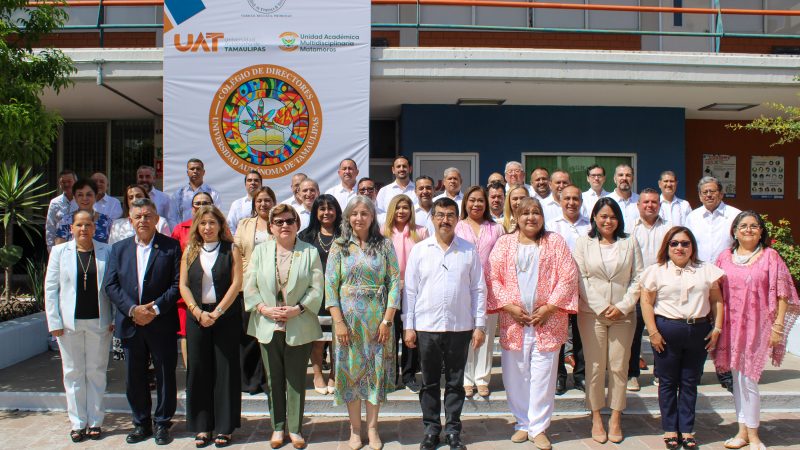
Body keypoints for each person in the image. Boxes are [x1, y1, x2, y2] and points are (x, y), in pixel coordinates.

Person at [487, 197, 579, 449]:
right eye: (525, 212)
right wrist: (508, 306)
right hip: (514, 320)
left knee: (543, 376)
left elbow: (568, 276)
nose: (531, 217)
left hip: (547, 321)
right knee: (515, 374)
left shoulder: (555, 242)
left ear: (542, 216)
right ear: (515, 217)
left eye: (536, 212)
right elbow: (492, 276)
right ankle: (522, 423)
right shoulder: (505, 243)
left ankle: (538, 428)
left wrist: (549, 307)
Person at [403, 197, 486, 450]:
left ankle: (453, 431)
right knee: (428, 382)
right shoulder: (420, 250)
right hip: (427, 326)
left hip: (459, 327)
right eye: (439, 215)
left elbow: (478, 289)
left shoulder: (468, 250)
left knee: (455, 382)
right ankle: (430, 429)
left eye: (450, 215)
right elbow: (410, 291)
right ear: (432, 218)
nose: (445, 220)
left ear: (457, 218)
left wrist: (480, 324)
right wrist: (409, 325)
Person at [714, 211, 800, 450]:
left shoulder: (770, 257)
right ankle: (741, 431)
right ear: (735, 231)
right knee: (736, 380)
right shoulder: (724, 257)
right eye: (743, 226)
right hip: (731, 327)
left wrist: (778, 326)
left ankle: (753, 435)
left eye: (754, 226)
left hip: (758, 326)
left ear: (761, 231)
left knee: (749, 379)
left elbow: (784, 294)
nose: (749, 230)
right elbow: (715, 292)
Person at [103, 198, 181, 445]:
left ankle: (162, 423)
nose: (143, 221)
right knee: (134, 377)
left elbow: (177, 285)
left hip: (161, 323)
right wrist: (133, 310)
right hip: (131, 322)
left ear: (157, 219)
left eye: (148, 216)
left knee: (165, 375)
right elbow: (110, 285)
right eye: (138, 217)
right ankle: (141, 423)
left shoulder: (171, 247)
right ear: (131, 220)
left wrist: (155, 309)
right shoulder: (119, 249)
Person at [245, 204, 323, 449]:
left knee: (296, 379)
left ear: (297, 225)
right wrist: (263, 309)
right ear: (271, 227)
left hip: (298, 323)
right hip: (268, 323)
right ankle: (278, 428)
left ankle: (296, 429)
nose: (284, 225)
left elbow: (317, 288)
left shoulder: (309, 252)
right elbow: (250, 286)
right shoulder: (260, 252)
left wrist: (297, 309)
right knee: (274, 379)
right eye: (278, 222)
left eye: (289, 221)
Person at [325, 196, 401, 450]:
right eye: (354, 213)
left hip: (377, 320)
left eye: (364, 213)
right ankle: (355, 430)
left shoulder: (385, 245)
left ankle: (373, 429)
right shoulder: (339, 246)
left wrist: (387, 321)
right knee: (350, 375)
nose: (359, 218)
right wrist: (339, 322)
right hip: (347, 321)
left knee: (374, 375)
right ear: (348, 217)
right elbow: (330, 287)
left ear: (372, 217)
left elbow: (393, 283)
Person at [640, 226, 724, 450]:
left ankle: (686, 429)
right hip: (666, 332)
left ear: (692, 247)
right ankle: (670, 428)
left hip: (698, 331)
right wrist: (653, 332)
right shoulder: (656, 270)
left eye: (685, 243)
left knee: (689, 382)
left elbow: (717, 299)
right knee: (667, 382)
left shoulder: (706, 270)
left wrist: (717, 328)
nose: (679, 247)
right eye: (674, 243)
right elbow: (646, 302)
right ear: (667, 246)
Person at [573, 197, 643, 444]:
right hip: (592, 314)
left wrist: (623, 306)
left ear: (619, 219)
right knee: (593, 367)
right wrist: (602, 306)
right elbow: (580, 278)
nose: (608, 221)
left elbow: (639, 277)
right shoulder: (583, 243)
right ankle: (595, 418)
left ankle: (615, 417)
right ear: (594, 217)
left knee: (618, 367)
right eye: (603, 216)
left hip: (624, 315)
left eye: (612, 216)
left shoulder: (629, 241)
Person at [45, 210, 114, 442]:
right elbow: (51, 288)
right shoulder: (58, 252)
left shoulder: (107, 251)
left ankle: (95, 422)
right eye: (79, 225)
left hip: (99, 322)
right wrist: (53, 321)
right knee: (73, 373)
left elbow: (112, 287)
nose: (84, 229)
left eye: (88, 225)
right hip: (68, 324)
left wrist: (113, 318)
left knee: (96, 372)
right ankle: (77, 423)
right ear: (71, 228)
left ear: (94, 228)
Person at [179, 206, 243, 448]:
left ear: (220, 225)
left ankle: (225, 427)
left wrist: (217, 312)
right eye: (203, 223)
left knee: (225, 370)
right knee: (198, 369)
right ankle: (202, 425)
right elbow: (183, 285)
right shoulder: (190, 250)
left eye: (212, 223)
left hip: (224, 316)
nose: (207, 228)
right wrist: (197, 311)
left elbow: (237, 283)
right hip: (197, 316)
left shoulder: (231, 249)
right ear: (197, 226)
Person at [685, 176, 741, 391]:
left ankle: (725, 371)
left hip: (727, 280)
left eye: (712, 191)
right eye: (704, 192)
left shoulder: (734, 215)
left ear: (721, 193)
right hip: (698, 278)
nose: (708, 195)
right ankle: (696, 371)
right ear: (699, 195)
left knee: (724, 326)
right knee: (699, 326)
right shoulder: (693, 216)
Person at [454, 186, 504, 398]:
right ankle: (466, 378)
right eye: (472, 200)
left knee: (486, 333)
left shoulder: (497, 228)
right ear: (465, 203)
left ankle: (482, 378)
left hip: (490, 287)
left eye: (480, 201)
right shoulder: (457, 227)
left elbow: (503, 259)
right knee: (465, 333)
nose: (476, 204)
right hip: (463, 287)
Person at [546, 184, 590, 395]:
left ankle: (581, 375)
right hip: (558, 288)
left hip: (584, 288)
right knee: (559, 334)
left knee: (581, 333)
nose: (571, 203)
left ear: (581, 202)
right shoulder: (551, 225)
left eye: (575, 199)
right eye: (567, 199)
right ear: (560, 201)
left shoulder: (590, 226)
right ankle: (559, 377)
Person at [627, 188, 671, 392]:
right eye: (645, 202)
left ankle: (661, 373)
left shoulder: (670, 229)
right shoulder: (629, 228)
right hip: (637, 289)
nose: (650, 205)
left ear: (659, 205)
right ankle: (631, 375)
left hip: (663, 290)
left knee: (662, 332)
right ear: (638, 205)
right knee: (633, 334)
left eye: (654, 202)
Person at [383, 194, 428, 394]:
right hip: (389, 290)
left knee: (411, 333)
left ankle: (409, 375)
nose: (402, 211)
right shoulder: (383, 232)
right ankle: (391, 375)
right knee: (390, 333)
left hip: (414, 290)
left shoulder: (421, 232)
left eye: (406, 207)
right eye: (398, 207)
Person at [298, 194, 343, 395]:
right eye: (322, 209)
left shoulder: (345, 235)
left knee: (337, 338)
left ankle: (334, 373)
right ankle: (317, 374)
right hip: (314, 294)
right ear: (316, 212)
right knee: (316, 339)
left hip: (340, 294)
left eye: (330, 208)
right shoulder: (305, 236)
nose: (327, 213)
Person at [234, 186, 276, 395]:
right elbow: (238, 253)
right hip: (247, 287)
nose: (263, 204)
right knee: (248, 336)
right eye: (259, 201)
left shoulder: (278, 224)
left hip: (272, 288)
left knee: (268, 336)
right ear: (254, 203)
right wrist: (249, 278)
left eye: (267, 200)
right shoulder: (244, 224)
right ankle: (250, 380)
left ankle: (268, 380)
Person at [172, 191, 216, 369]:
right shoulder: (180, 229)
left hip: (213, 290)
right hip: (188, 291)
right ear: (192, 208)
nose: (201, 205)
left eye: (206, 202)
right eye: (197, 203)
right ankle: (193, 374)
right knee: (186, 334)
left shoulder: (220, 228)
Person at [54, 179, 113, 245]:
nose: (85, 198)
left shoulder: (107, 221)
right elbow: (59, 249)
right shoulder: (65, 221)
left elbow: (112, 248)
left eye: (89, 195)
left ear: (95, 196)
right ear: (74, 198)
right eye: (80, 195)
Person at [169, 158, 220, 227]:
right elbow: (172, 218)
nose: (195, 171)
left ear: (203, 172)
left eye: (198, 169)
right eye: (192, 169)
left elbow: (217, 216)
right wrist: (179, 234)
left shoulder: (213, 194)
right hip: (183, 234)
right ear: (187, 172)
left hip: (206, 232)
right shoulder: (178, 194)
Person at [46, 169, 78, 252]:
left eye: (69, 181)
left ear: (75, 182)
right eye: (63, 182)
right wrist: (51, 249)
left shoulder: (82, 200)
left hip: (79, 246)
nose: (66, 184)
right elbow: (50, 227)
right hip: (60, 246)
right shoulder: (55, 202)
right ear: (60, 184)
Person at [227, 170, 263, 235]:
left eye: (256, 180)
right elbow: (230, 226)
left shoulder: (268, 204)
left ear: (261, 184)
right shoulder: (237, 204)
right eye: (249, 180)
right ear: (245, 184)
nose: (253, 183)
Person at [607, 164, 640, 232]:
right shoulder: (606, 201)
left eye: (628, 175)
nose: (624, 178)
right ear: (614, 178)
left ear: (633, 179)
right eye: (620, 175)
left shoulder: (641, 201)